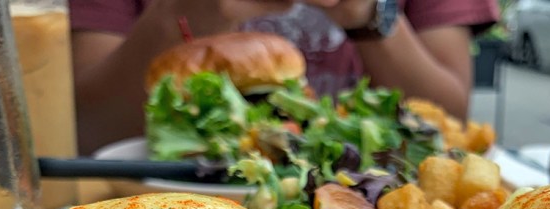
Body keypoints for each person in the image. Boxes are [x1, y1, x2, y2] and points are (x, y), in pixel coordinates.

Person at [69, 0, 499, 154]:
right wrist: (182, 12)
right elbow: (85, 130)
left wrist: (371, 13)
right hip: (157, 207)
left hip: (356, 201)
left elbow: (449, 119)